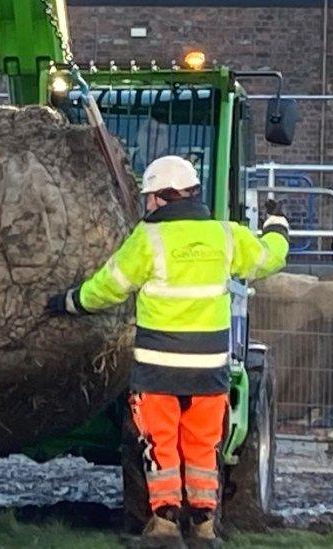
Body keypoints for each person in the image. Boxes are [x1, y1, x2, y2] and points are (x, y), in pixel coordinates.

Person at [46, 155, 289, 548]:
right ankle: (205, 527)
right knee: (203, 445)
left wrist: (70, 302)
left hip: (157, 370)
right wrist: (278, 226)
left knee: (160, 445)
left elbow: (109, 287)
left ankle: (164, 525)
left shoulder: (148, 239)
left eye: (149, 198)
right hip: (209, 370)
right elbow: (271, 256)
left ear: (162, 197)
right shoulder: (225, 236)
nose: (146, 205)